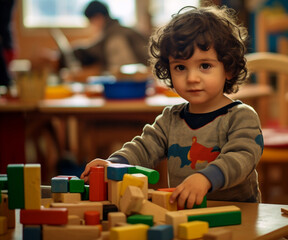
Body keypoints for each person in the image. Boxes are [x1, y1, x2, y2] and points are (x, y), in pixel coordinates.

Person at [81, 5, 264, 209]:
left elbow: (241, 157)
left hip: (239, 215)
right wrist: (115, 163)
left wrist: (206, 179)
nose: (192, 78)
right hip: (185, 215)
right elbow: (143, 148)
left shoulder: (241, 116)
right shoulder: (170, 119)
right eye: (180, 67)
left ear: (228, 68)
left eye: (205, 66)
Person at [59, 0, 149, 75]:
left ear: (98, 17)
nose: (91, 26)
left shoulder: (115, 36)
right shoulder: (116, 29)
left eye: (91, 21)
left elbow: (122, 71)